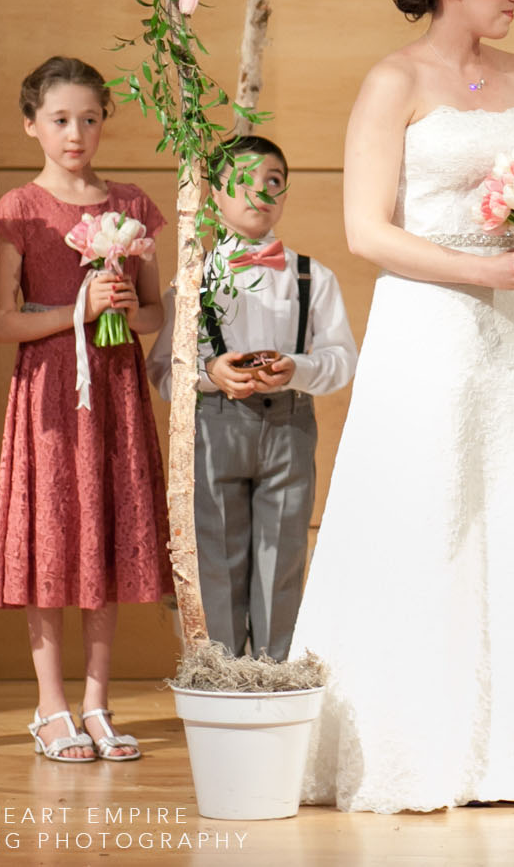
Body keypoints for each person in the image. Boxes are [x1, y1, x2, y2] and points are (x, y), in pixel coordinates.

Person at [291, 0, 514, 813]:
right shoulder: (394, 80)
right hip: (427, 334)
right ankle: (409, 748)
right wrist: (485, 267)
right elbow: (365, 230)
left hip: (512, 341)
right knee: (425, 520)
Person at [0, 57, 172, 764]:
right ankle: (49, 705)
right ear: (31, 124)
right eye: (60, 119)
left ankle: (96, 700)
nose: (76, 132)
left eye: (89, 118)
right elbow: (1, 321)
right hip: (52, 393)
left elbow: (154, 312)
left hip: (114, 392)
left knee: (103, 534)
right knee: (53, 536)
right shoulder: (19, 210)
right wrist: (75, 311)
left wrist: (127, 308)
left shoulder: (130, 205)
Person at [147, 134, 357, 661]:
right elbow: (163, 369)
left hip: (288, 424)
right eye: (241, 180)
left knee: (283, 554)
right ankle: (220, 674)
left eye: (273, 182)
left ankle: (273, 671)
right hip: (214, 424)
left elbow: (341, 361)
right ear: (216, 193)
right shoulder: (193, 281)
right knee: (215, 555)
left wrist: (297, 368)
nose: (258, 193)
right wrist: (210, 372)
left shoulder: (314, 277)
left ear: (285, 195)